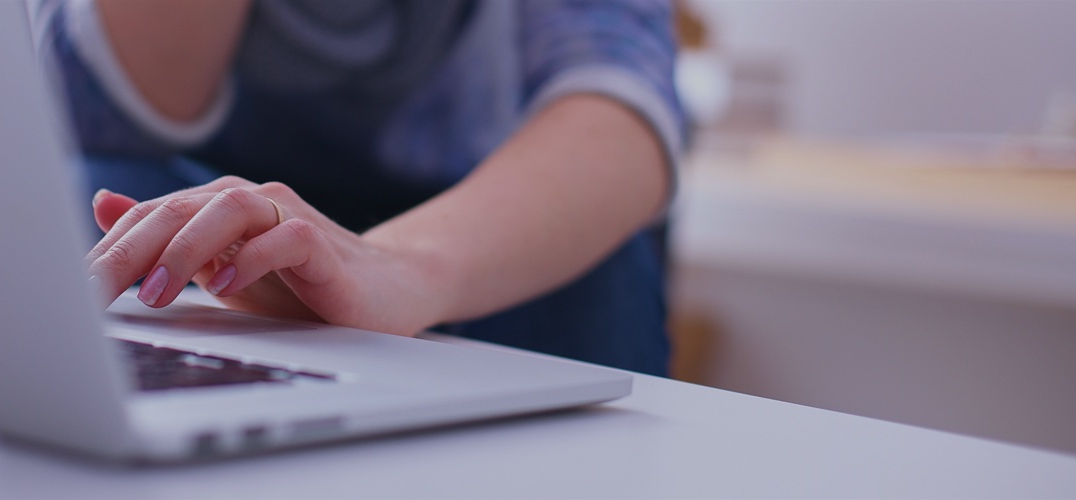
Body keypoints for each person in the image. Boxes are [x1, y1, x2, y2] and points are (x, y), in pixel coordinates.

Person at [40, 0, 686, 375]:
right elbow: (105, 109)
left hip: (479, 222)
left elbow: (621, 101)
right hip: (214, 200)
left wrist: (402, 267)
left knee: (592, 269)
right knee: (109, 196)